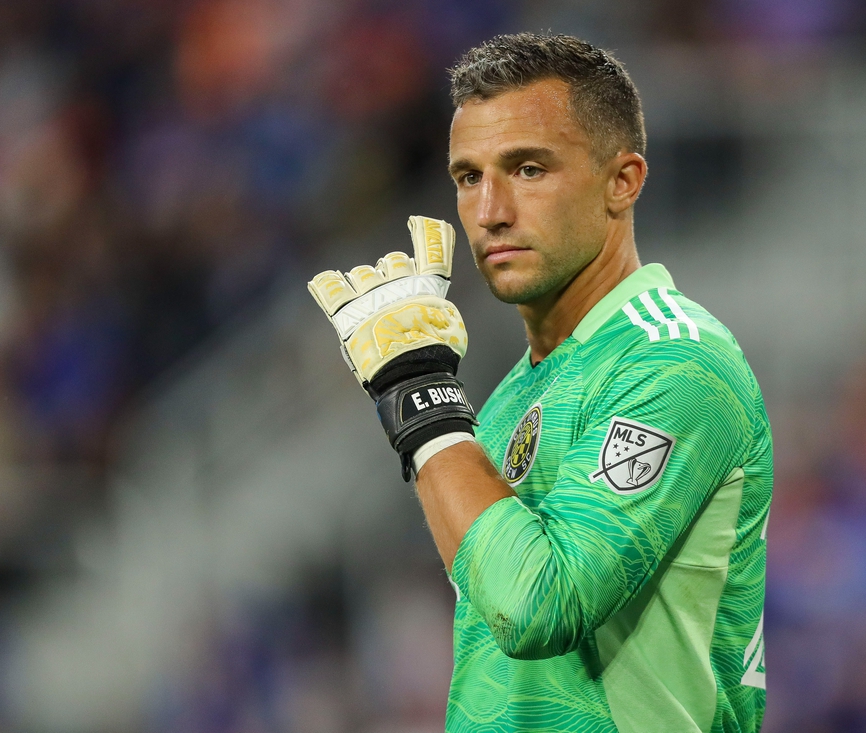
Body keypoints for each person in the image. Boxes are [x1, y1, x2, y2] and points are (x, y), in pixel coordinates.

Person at [309, 33, 772, 733]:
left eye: (528, 169)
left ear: (624, 180)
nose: (491, 210)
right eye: (469, 177)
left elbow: (538, 607)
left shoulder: (676, 361)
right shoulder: (502, 405)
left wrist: (420, 397)